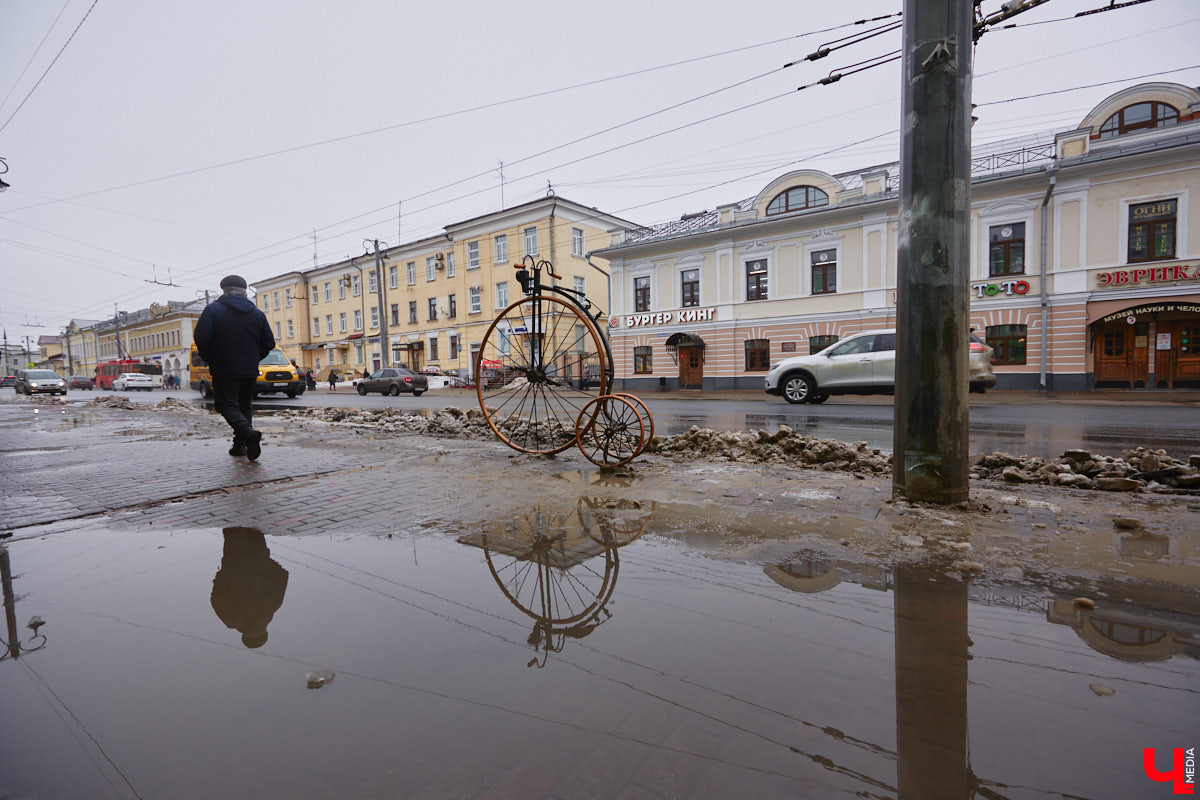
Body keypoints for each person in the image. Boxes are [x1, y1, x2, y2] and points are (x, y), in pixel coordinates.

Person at [194, 275, 274, 460]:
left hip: (224, 367)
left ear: (224, 290)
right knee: (245, 406)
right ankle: (240, 446)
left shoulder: (214, 310)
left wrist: (212, 358)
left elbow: (201, 338)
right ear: (244, 291)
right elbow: (269, 343)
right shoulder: (257, 314)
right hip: (249, 368)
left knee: (226, 405)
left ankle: (246, 433)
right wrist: (254, 357)